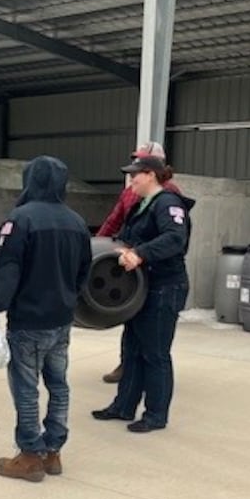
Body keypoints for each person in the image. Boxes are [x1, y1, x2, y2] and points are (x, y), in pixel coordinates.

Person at [0, 156, 92, 482]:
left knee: (26, 388)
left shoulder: (20, 219)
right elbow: (84, 271)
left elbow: (7, 270)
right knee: (59, 385)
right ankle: (54, 450)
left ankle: (30, 454)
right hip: (61, 321)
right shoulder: (77, 222)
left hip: (28, 321)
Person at [92, 154, 194, 433]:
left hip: (165, 287)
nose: (131, 180)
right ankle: (123, 406)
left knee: (155, 353)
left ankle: (156, 415)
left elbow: (175, 239)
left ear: (150, 174)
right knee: (133, 350)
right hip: (142, 288)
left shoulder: (169, 204)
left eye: (135, 174)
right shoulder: (141, 205)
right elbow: (125, 236)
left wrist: (140, 253)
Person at [96, 141, 183, 384]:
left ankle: (152, 390)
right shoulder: (131, 193)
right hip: (133, 270)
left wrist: (141, 252)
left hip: (154, 271)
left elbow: (173, 237)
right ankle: (127, 368)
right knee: (132, 327)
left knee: (154, 341)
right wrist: (96, 246)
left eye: (139, 165)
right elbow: (115, 221)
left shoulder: (169, 197)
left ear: (153, 169)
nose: (133, 173)